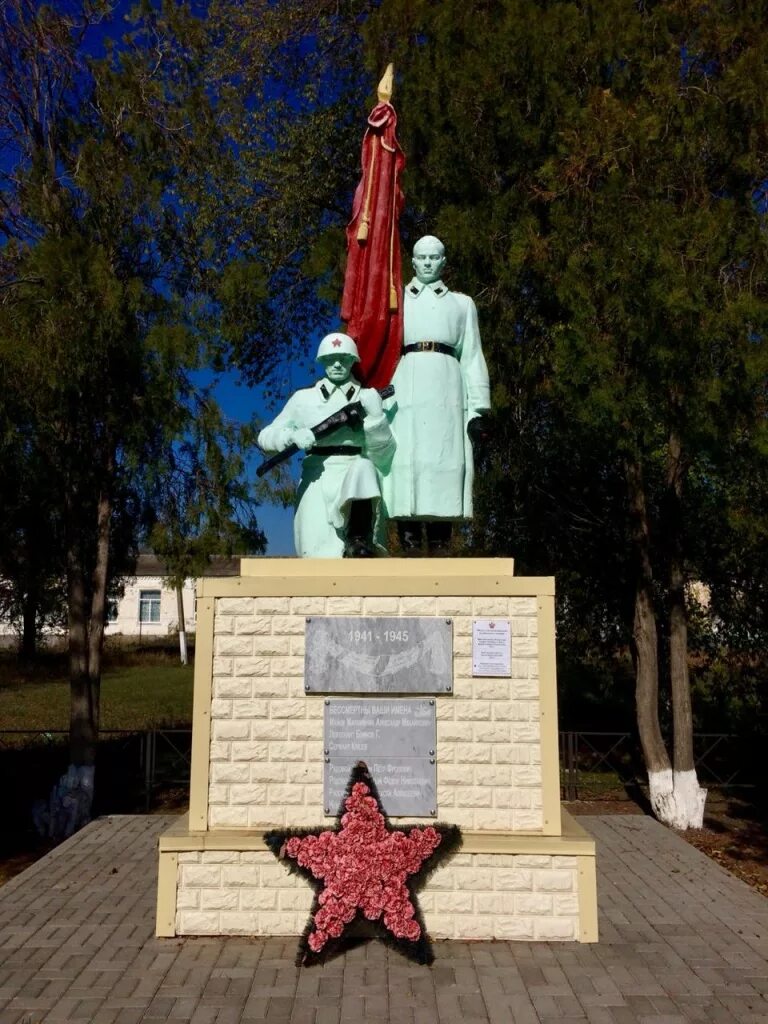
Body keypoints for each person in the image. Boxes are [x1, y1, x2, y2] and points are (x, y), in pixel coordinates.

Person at [382, 236, 491, 555]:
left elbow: (472, 353)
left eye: (434, 257)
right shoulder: (395, 299)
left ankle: (443, 539)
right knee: (407, 458)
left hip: (448, 385)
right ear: (412, 262)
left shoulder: (462, 303)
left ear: (444, 262)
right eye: (422, 257)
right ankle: (409, 537)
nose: (428, 263)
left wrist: (479, 405)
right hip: (406, 381)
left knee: (446, 458)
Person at [257, 333, 395, 558]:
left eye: (344, 358)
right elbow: (265, 436)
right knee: (316, 555)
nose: (338, 364)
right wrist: (291, 436)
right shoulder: (303, 399)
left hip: (358, 481)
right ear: (322, 362)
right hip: (316, 477)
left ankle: (359, 537)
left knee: (365, 469)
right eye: (331, 359)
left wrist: (376, 417)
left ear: (353, 361)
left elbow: (385, 457)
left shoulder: (369, 397)